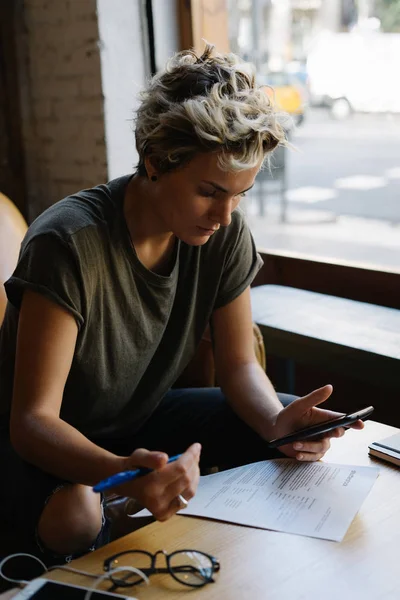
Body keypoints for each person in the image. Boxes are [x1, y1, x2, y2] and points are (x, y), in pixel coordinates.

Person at [0, 44, 363, 566]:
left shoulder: (224, 232)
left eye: (241, 194)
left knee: (277, 422)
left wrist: (277, 423)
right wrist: (120, 470)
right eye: (210, 191)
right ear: (154, 162)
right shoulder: (68, 244)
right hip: (47, 443)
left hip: (139, 420)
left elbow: (239, 367)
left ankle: (131, 506)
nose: (224, 214)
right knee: (75, 515)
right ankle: (118, 506)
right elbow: (32, 421)